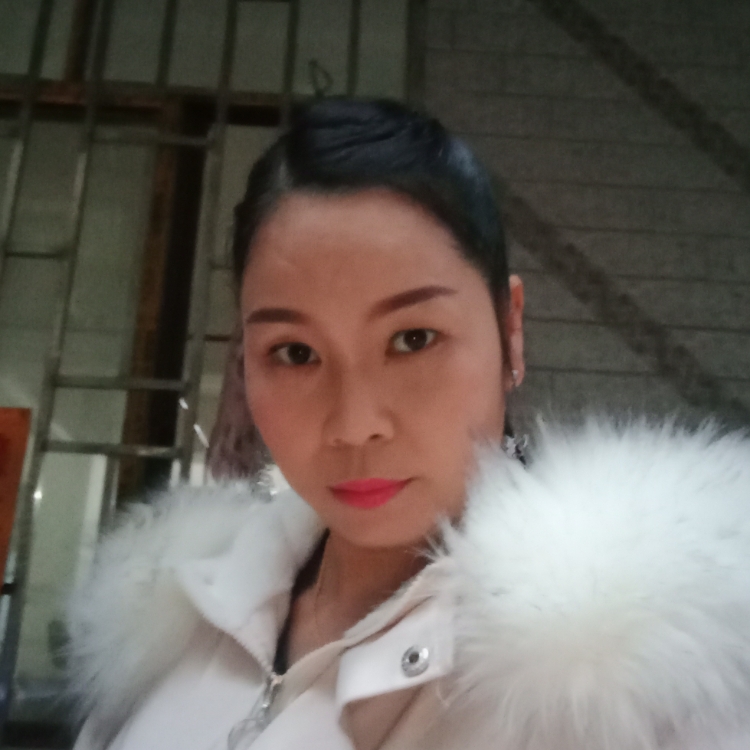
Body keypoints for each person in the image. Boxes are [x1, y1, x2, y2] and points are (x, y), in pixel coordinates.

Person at [67, 99, 750, 750]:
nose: (355, 425)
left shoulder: (648, 685)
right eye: (295, 353)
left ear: (510, 331)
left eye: (413, 339)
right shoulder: (172, 620)